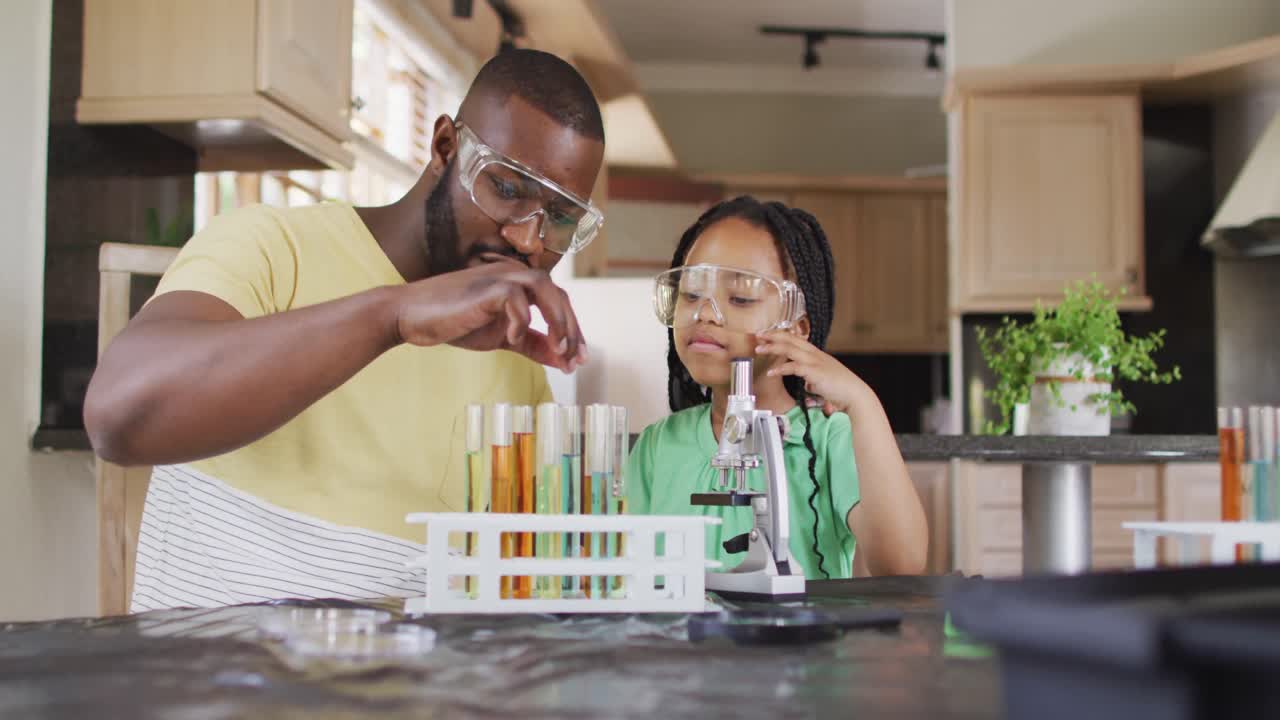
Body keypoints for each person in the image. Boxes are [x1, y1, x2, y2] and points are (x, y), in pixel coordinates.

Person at [83, 49, 605, 611]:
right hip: (207, 689)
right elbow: (118, 417)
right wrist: (395, 316)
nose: (529, 240)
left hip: (401, 696)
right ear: (445, 148)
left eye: (561, 218)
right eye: (506, 188)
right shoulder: (272, 246)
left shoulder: (513, 371)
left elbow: (534, 591)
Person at [626, 196, 928, 578]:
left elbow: (901, 564)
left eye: (740, 298)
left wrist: (863, 402)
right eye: (690, 294)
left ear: (796, 326)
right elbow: (629, 573)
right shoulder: (657, 446)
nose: (704, 314)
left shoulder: (830, 437)